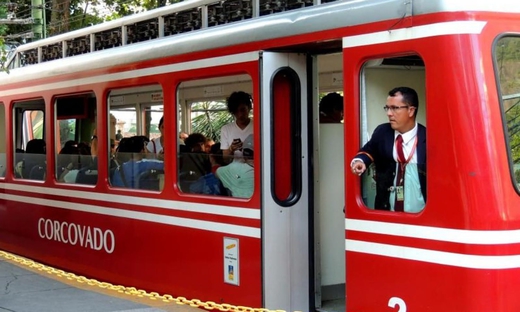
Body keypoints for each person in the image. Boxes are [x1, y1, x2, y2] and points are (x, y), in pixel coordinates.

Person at [350, 86, 426, 212]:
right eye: (387, 108)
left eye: (395, 108)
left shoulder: (428, 137)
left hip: (421, 217)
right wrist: (360, 161)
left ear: (411, 111)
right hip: (386, 213)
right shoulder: (382, 132)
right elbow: (368, 151)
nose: (389, 113)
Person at [220, 91, 253, 162]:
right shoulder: (226, 129)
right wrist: (231, 149)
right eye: (236, 111)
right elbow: (225, 158)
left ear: (249, 107)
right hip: (235, 170)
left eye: (243, 110)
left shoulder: (258, 127)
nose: (240, 115)